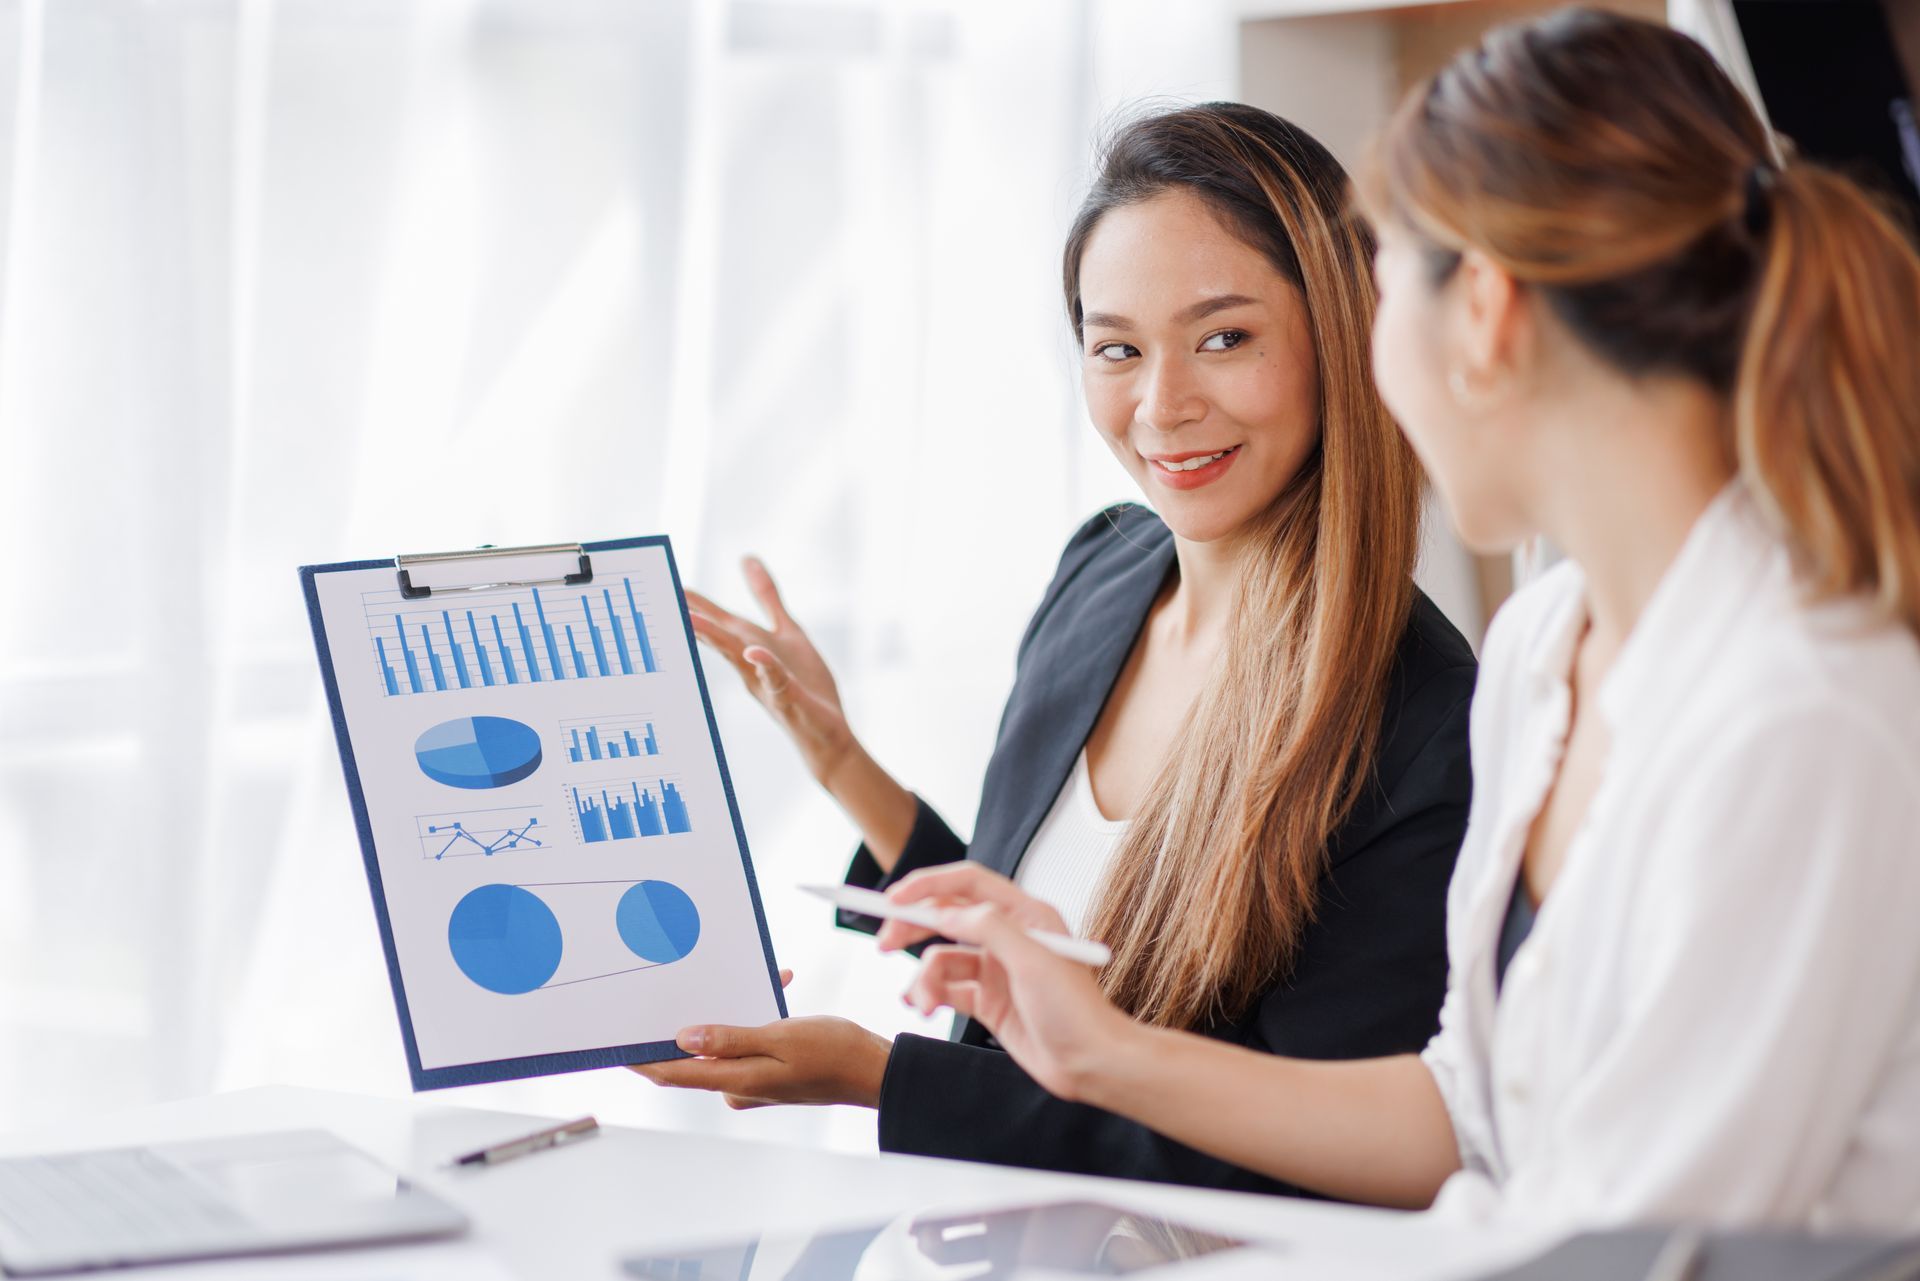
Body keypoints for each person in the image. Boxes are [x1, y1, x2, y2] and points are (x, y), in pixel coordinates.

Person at [893, 7, 1920, 1230]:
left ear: (1480, 310)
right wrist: (1094, 1052)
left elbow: (1642, 1245)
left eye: (1382, 301)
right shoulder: (1548, 651)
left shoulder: (1801, 713)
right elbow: (1472, 1123)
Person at [631, 103, 1479, 1195]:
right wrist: (839, 761)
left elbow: (1303, 1159)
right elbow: (1028, 943)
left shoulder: (1424, 720)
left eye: (1224, 337)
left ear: (1341, 333)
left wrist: (884, 1081)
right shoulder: (1104, 573)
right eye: (1117, 348)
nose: (1163, 406)